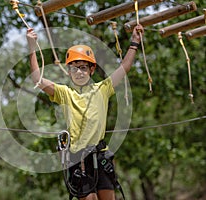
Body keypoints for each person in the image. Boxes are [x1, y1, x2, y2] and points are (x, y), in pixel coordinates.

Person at [26, 24, 144, 200]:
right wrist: (32, 47)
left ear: (92, 69)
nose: (79, 72)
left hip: (100, 154)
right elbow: (37, 78)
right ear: (69, 72)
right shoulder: (65, 93)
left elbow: (125, 67)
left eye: (83, 67)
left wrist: (134, 42)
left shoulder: (103, 89)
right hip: (78, 158)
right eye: (74, 68)